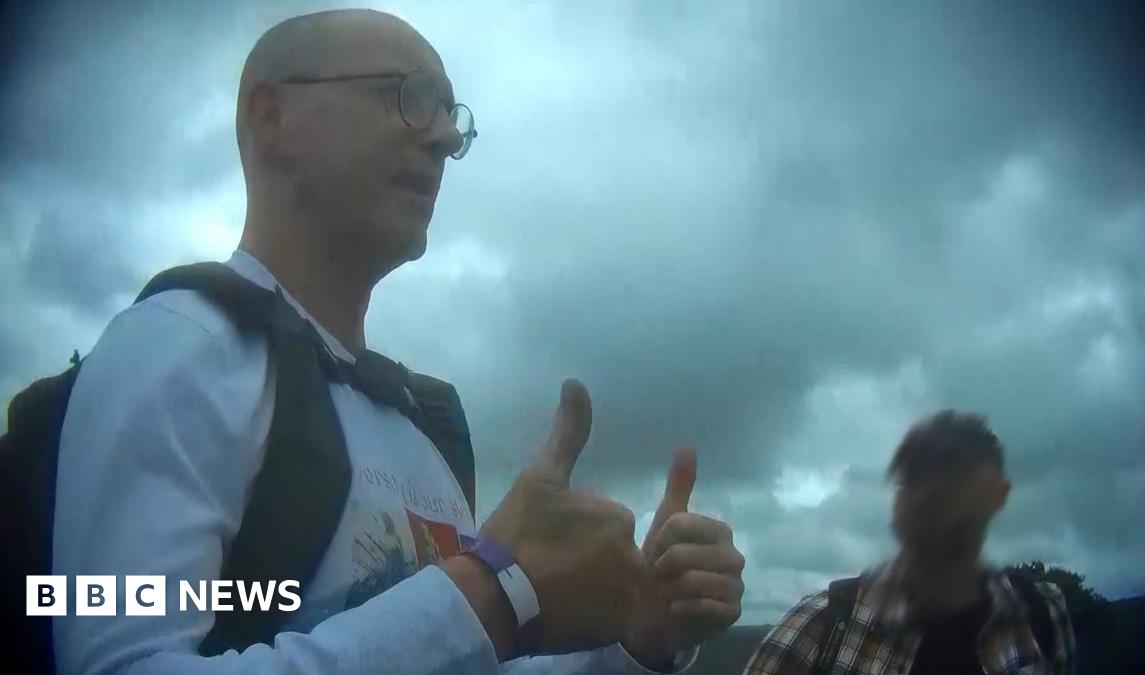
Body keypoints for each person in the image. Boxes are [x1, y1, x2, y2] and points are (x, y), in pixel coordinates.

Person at [51, 9, 744, 674]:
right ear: (273, 116)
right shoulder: (178, 348)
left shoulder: (421, 428)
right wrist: (493, 591)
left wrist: (639, 640)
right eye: (407, 96)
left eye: (452, 116)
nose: (444, 136)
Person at [743, 411, 1075, 675]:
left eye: (955, 478)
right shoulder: (823, 624)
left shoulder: (1041, 614)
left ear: (997, 496)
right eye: (914, 478)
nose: (932, 495)